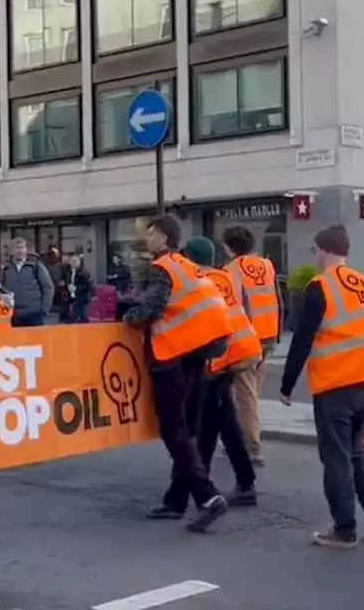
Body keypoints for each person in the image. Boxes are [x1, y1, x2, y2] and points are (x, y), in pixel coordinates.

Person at [280, 224, 364, 549]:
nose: (315, 256)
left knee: (336, 457)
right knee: (357, 452)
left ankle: (344, 529)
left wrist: (287, 384)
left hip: (336, 381)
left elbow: (303, 338)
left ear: (322, 250)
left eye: (314, 250)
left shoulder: (320, 286)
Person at [124, 215, 232, 532]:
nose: (149, 238)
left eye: (152, 232)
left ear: (165, 237)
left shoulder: (163, 268)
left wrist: (127, 316)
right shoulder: (186, 266)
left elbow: (151, 310)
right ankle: (176, 499)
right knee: (188, 429)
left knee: (175, 430)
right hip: (198, 353)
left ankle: (207, 496)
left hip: (172, 355)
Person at [180, 237, 260, 507]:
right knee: (221, 420)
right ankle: (234, 483)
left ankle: (201, 487)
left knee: (206, 423)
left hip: (215, 359)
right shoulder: (227, 277)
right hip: (240, 349)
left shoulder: (196, 282)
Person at [222, 226, 283, 467]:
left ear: (229, 247)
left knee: (245, 395)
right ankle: (240, 440)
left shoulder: (230, 271)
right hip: (268, 335)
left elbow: (233, 307)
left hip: (248, 340)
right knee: (251, 393)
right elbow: (278, 299)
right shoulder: (267, 266)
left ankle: (252, 448)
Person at [0, 238, 53, 327]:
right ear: (11, 251)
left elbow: (48, 287)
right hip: (14, 314)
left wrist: (44, 309)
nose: (20, 251)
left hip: (34, 312)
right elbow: (1, 289)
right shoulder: (5, 268)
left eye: (22, 248)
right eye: (17, 248)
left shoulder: (36, 265)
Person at [61, 254, 93, 323]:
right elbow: (68, 282)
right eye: (72, 261)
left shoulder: (84, 272)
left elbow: (89, 286)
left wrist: (76, 288)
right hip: (71, 297)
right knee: (71, 316)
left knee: (81, 316)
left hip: (82, 298)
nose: (73, 263)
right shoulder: (69, 272)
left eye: (75, 261)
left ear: (79, 262)